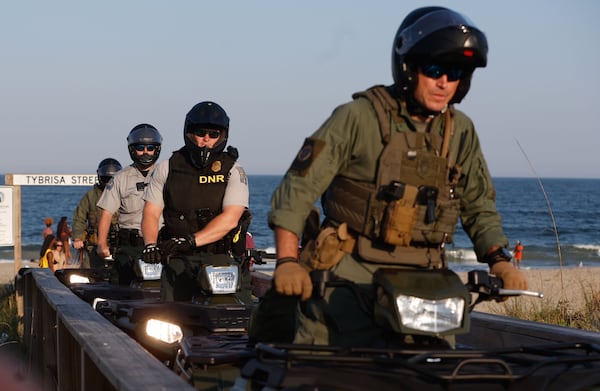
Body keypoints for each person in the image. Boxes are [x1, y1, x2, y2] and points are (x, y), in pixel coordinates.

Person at [250, 6, 528, 347]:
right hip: (348, 275)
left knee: (435, 370)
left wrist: (499, 261)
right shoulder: (358, 117)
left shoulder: (460, 132)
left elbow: (478, 204)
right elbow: (298, 190)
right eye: (435, 68)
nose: (444, 82)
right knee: (320, 370)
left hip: (425, 279)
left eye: (455, 73)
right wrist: (288, 262)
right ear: (410, 67)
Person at [141, 101, 252, 303]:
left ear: (223, 136)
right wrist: (150, 244)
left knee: (235, 321)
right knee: (168, 322)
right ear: (189, 132)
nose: (206, 139)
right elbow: (151, 212)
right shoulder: (167, 168)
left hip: (221, 262)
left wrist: (191, 241)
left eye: (213, 134)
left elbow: (230, 218)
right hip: (178, 261)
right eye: (201, 132)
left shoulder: (234, 170)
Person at [96, 124, 162, 285]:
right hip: (129, 247)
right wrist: (101, 243)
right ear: (132, 149)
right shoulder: (120, 178)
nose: (145, 152)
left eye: (150, 148)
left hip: (160, 246)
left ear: (157, 149)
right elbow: (106, 213)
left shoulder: (166, 174)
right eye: (140, 147)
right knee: (120, 291)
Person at [72, 158, 123, 268]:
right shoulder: (90, 196)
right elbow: (79, 218)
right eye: (106, 179)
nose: (109, 183)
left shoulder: (125, 195)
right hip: (94, 248)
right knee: (86, 277)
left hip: (120, 247)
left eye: (112, 179)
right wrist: (77, 238)